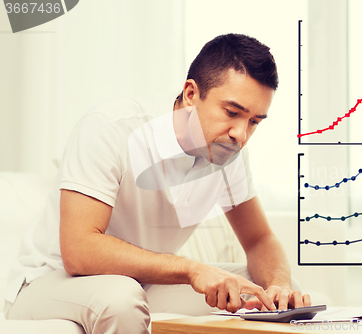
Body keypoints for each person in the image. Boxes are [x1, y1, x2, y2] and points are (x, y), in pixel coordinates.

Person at [3, 33, 311, 333]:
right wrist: (193, 269)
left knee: (268, 295)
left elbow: (259, 240)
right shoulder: (110, 128)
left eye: (254, 122)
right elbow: (79, 250)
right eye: (232, 112)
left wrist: (279, 287)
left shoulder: (227, 152)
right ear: (191, 94)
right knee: (120, 298)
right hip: (50, 281)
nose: (241, 134)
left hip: (141, 283)